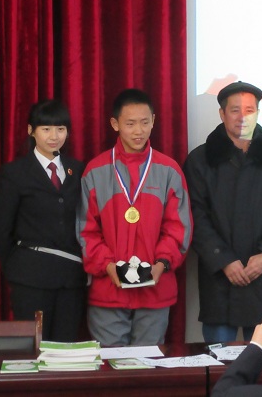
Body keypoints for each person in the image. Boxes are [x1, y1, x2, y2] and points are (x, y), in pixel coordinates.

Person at [183, 81, 262, 343]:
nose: (242, 117)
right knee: (217, 361)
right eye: (235, 110)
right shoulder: (200, 160)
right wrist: (224, 260)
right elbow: (195, 215)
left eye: (250, 110)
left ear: (258, 113)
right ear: (222, 114)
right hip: (219, 278)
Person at [77, 88, 192, 346]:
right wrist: (108, 266)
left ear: (153, 121)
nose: (138, 131)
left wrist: (161, 264)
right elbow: (86, 231)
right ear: (115, 124)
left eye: (144, 122)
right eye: (130, 124)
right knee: (109, 365)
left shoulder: (169, 170)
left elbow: (178, 228)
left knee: (147, 365)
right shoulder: (95, 171)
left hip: (155, 291)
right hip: (108, 292)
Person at [0, 99, 86, 342]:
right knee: (34, 349)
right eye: (46, 129)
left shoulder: (78, 170)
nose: (54, 136)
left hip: (70, 280)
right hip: (30, 279)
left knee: (65, 350)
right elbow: (1, 230)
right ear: (31, 131)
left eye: (60, 129)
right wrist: (18, 266)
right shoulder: (15, 173)